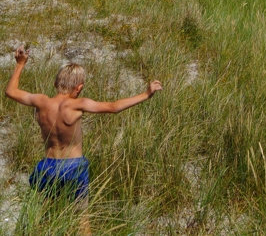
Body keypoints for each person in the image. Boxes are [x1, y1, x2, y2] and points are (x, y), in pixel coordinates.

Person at [5, 48, 162, 230]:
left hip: (47, 166)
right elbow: (113, 107)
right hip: (73, 167)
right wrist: (145, 94)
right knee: (81, 221)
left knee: (44, 217)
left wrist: (20, 64)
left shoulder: (41, 101)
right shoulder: (78, 104)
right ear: (78, 87)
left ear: (56, 83)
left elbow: (11, 91)